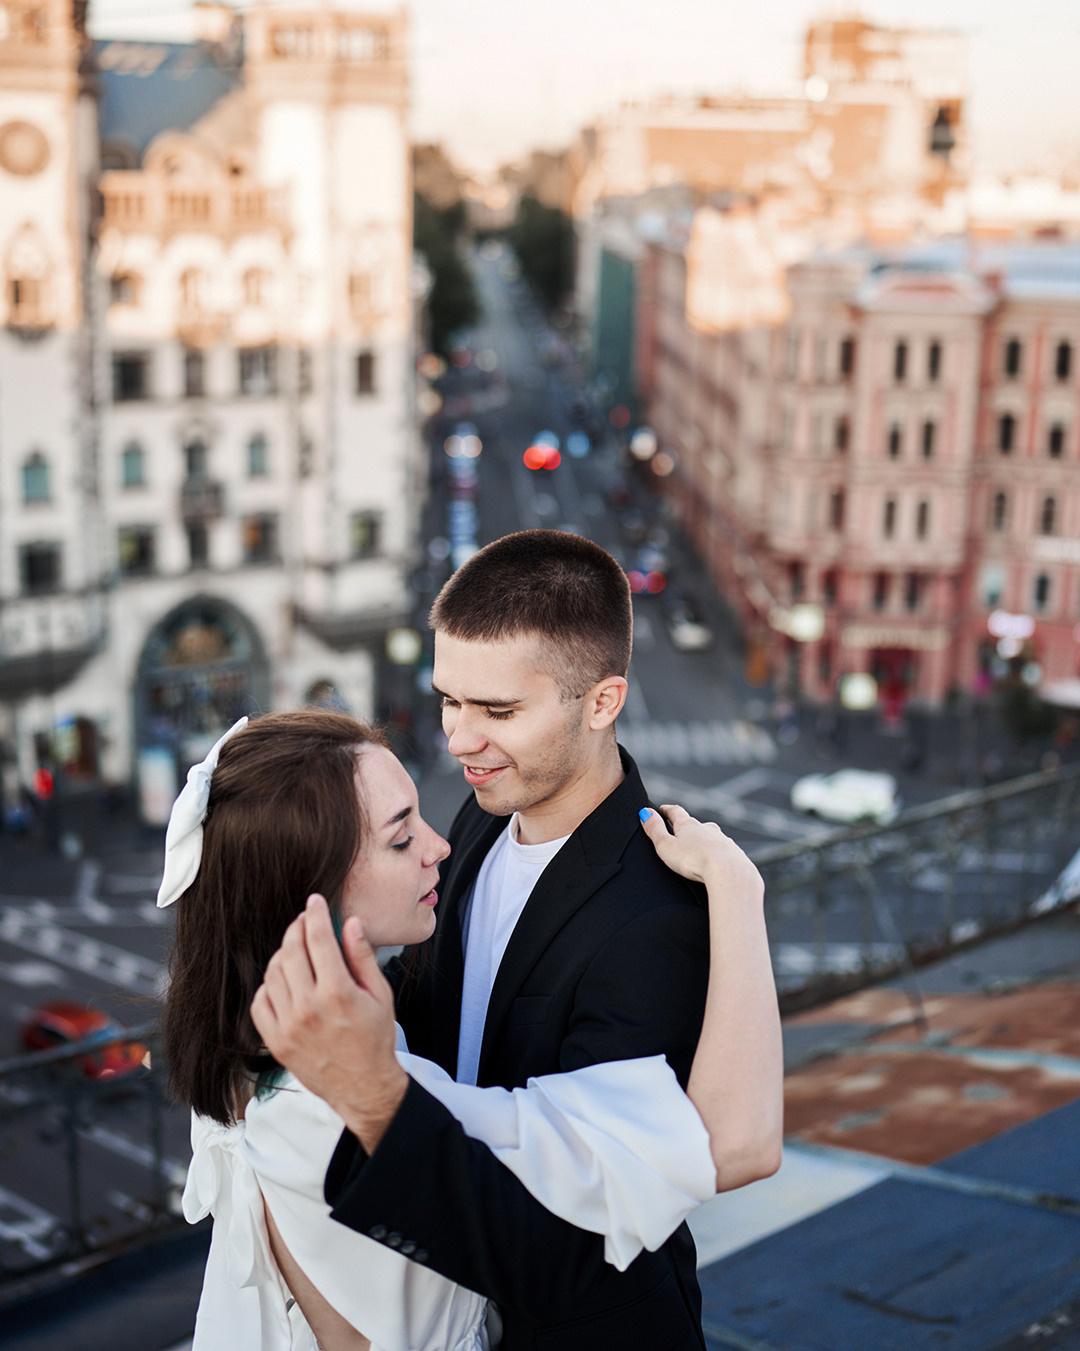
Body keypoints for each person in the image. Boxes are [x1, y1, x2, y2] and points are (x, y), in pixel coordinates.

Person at [253, 530, 783, 1351]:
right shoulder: (478, 818)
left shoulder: (661, 913)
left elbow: (578, 1227)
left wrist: (371, 1099)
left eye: (498, 711)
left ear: (602, 702)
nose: (459, 738)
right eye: (449, 699)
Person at [165, 709, 779, 1350]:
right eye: (400, 840)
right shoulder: (327, 1096)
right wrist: (736, 889)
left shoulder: (283, 1036)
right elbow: (718, 1150)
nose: (440, 848)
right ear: (306, 891)